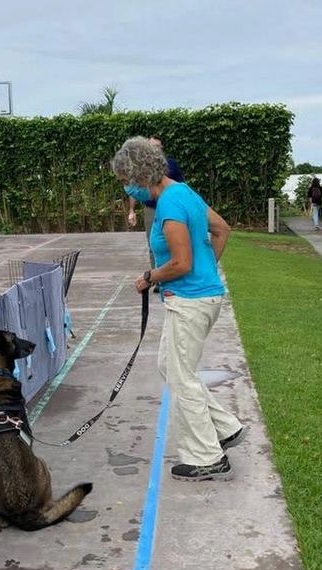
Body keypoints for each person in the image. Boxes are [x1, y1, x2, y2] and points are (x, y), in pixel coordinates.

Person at [112, 136, 246, 482]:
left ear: (141, 175)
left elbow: (181, 263)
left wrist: (150, 277)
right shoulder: (185, 193)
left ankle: (207, 456)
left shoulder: (170, 205)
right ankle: (226, 427)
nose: (128, 187)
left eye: (128, 180)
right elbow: (222, 229)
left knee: (181, 377)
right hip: (202, 297)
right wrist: (208, 269)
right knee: (170, 367)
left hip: (188, 302)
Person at [127, 136, 184, 292]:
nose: (155, 149)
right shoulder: (142, 168)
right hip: (151, 209)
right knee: (154, 243)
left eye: (157, 146)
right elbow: (134, 189)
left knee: (173, 242)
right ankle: (157, 278)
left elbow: (180, 185)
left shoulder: (171, 165)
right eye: (151, 147)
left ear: (162, 148)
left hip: (170, 208)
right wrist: (131, 210)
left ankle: (173, 274)